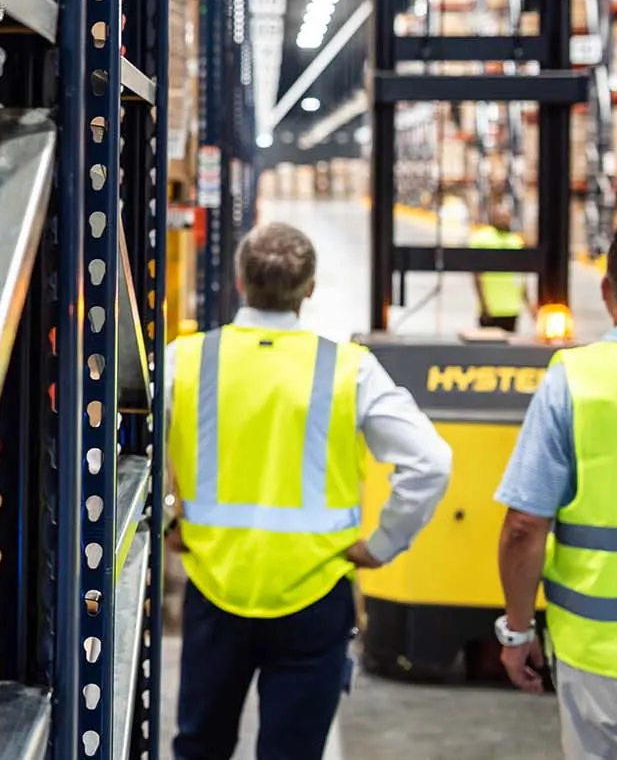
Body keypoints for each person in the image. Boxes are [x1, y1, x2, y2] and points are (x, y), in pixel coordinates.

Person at [168, 222, 453, 760]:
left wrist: (164, 519)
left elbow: (120, 442)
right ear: (311, 287)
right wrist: (383, 543)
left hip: (216, 589)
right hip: (315, 594)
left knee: (200, 747)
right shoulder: (351, 369)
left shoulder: (188, 360)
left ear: (238, 281)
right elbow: (431, 461)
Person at [494, 212, 617, 757]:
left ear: (608, 292)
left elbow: (525, 526)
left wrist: (517, 631)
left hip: (607, 657)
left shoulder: (575, 381)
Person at [471, 204, 529, 332]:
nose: (504, 220)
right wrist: (484, 305)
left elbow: (521, 277)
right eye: (500, 217)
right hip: (491, 309)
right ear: (492, 218)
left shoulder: (515, 241)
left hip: (511, 309)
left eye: (506, 217)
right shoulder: (482, 239)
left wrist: (529, 305)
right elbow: (477, 275)